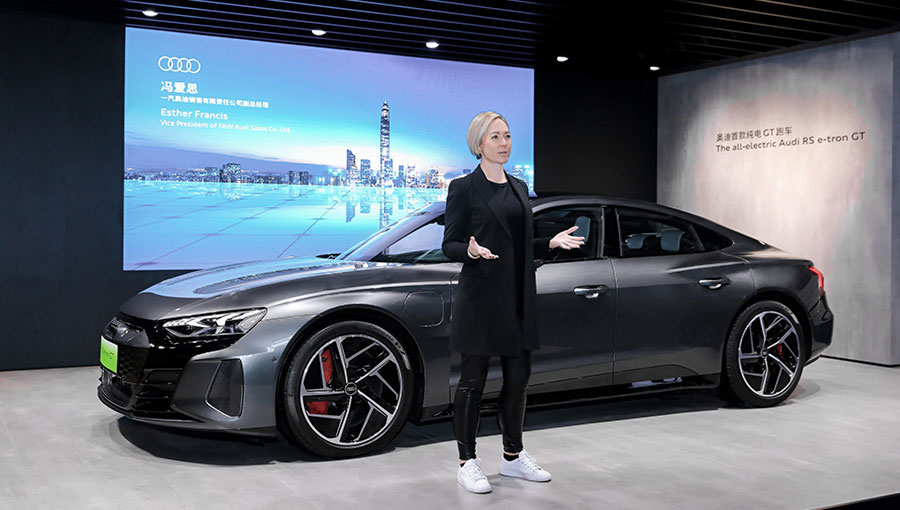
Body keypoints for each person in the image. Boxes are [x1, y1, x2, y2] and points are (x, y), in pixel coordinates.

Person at [441, 111, 585, 494]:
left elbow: (520, 246)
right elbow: (449, 244)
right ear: (479, 144)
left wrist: (549, 243)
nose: (504, 143)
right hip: (481, 298)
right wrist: (469, 250)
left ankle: (513, 456)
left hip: (519, 296)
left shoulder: (520, 187)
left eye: (506, 136)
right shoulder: (463, 188)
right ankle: (467, 462)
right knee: (472, 382)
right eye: (495, 137)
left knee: (518, 381)